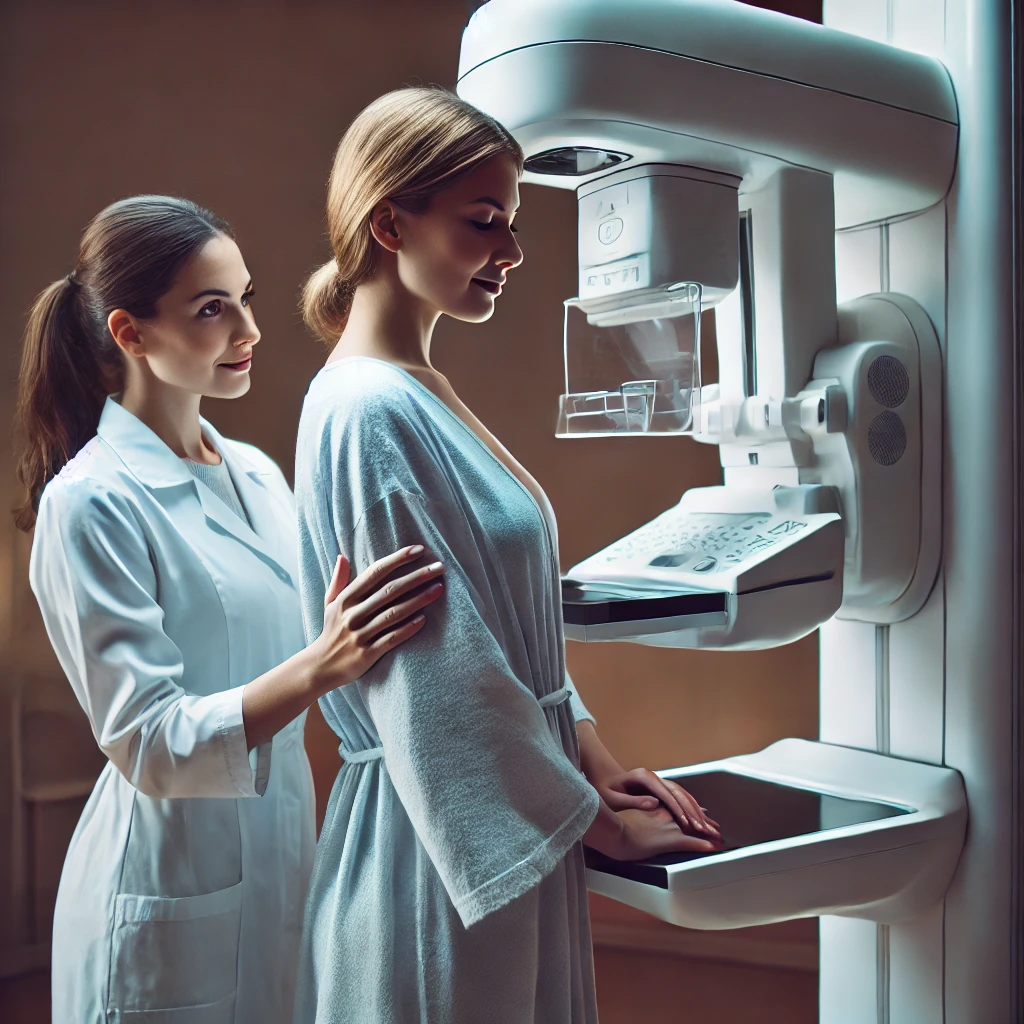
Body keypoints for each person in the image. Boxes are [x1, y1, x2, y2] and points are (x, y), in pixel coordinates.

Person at [293, 87, 722, 1024]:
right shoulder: (368, 412)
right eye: (485, 221)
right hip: (438, 856)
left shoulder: (417, 393)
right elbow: (439, 680)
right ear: (389, 222)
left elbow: (510, 646)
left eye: (514, 222)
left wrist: (598, 763)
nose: (515, 252)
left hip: (507, 828)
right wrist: (603, 825)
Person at [16, 195, 445, 1024]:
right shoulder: (92, 502)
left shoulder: (255, 472)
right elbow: (148, 740)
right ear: (129, 333)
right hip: (162, 880)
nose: (248, 330)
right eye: (212, 309)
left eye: (244, 298)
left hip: (286, 856)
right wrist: (324, 662)